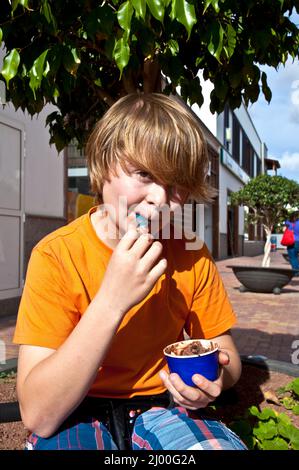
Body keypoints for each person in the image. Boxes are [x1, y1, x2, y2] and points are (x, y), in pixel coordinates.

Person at [13, 93, 247, 451]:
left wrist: (213, 379)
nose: (159, 198)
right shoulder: (56, 255)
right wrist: (111, 301)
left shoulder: (191, 254)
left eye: (176, 186)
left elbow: (227, 355)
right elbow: (39, 415)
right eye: (144, 174)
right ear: (103, 164)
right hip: (73, 411)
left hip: (164, 408)